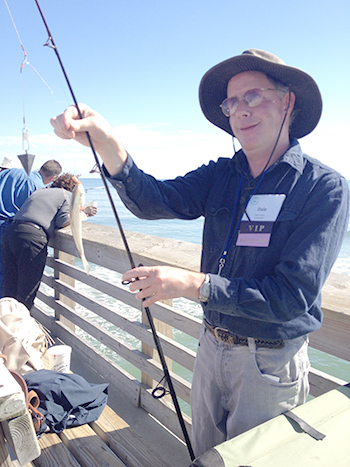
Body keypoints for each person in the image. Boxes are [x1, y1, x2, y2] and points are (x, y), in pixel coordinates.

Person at [50, 49, 350, 457]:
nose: (240, 110)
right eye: (232, 102)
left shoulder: (324, 187)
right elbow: (154, 199)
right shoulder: (221, 174)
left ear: (288, 100)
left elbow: (291, 297)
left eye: (254, 96)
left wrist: (193, 284)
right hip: (209, 347)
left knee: (255, 460)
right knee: (207, 455)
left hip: (269, 365)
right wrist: (107, 142)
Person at [3, 173, 97, 311]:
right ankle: (21, 329)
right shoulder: (67, 195)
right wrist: (84, 213)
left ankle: (5, 327)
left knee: (10, 290)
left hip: (11, 233)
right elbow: (64, 221)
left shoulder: (40, 191)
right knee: (26, 293)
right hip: (32, 237)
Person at [0, 159, 62, 297]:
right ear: (53, 177)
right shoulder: (37, 186)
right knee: (7, 277)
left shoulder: (8, 173)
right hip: (10, 227)